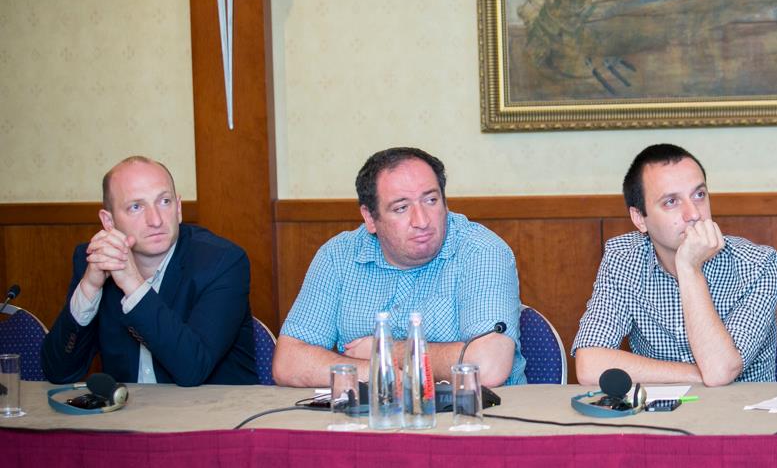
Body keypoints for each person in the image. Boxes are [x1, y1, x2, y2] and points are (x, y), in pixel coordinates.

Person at [273, 147, 524, 388]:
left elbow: (488, 367)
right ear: (370, 218)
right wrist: (379, 372)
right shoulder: (338, 256)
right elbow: (288, 363)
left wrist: (384, 350)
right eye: (401, 208)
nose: (422, 221)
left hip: (475, 412)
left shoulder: (481, 251)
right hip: (369, 412)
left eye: (431, 200)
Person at [572, 144, 777, 386]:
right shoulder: (622, 258)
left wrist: (690, 269)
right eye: (671, 201)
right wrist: (699, 374)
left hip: (742, 408)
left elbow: (720, 371)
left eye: (699, 195)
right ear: (640, 219)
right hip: (657, 409)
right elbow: (589, 366)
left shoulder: (759, 265)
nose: (693, 213)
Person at [41, 156, 256, 385]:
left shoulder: (222, 263)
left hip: (212, 406)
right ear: (109, 221)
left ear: (179, 208)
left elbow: (193, 368)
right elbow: (58, 372)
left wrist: (133, 285)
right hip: (127, 407)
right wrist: (89, 288)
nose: (155, 220)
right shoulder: (97, 259)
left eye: (164, 202)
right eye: (136, 207)